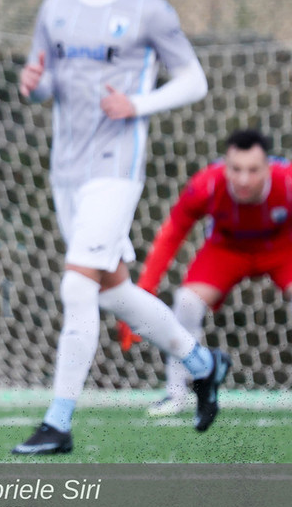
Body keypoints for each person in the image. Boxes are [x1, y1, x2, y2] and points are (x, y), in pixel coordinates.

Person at [13, 0, 230, 454]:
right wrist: (33, 85)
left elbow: (194, 81)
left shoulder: (148, 11)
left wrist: (137, 104)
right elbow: (45, 82)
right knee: (111, 289)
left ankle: (58, 422)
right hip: (67, 171)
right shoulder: (55, 8)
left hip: (116, 170)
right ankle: (203, 364)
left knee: (77, 287)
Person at [117, 129, 292, 415]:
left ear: (267, 167)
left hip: (282, 251)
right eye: (236, 169)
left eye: (253, 170)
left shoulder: (287, 182)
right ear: (225, 166)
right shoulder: (206, 185)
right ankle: (176, 393)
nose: (243, 179)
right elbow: (171, 235)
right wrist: (144, 293)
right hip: (227, 250)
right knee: (186, 301)